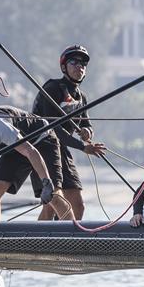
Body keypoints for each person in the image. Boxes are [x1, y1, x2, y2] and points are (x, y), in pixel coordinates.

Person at [31, 45, 106, 220]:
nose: (79, 66)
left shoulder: (82, 97)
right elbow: (52, 127)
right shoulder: (52, 88)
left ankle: (65, 242)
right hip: (44, 147)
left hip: (63, 149)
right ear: (64, 67)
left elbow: (86, 123)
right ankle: (38, 243)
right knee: (53, 204)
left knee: (78, 206)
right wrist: (82, 146)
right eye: (74, 62)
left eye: (83, 64)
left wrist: (87, 131)